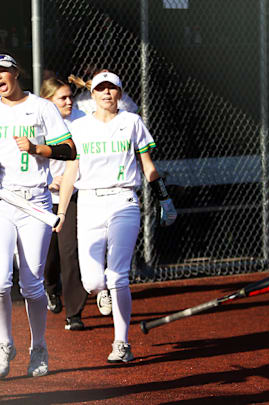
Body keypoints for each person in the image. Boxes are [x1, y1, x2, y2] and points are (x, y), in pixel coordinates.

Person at [57, 71, 177, 363]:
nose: (107, 94)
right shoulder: (80, 127)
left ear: (120, 94)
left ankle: (121, 343)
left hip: (123, 199)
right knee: (93, 282)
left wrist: (165, 197)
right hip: (88, 202)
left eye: (112, 89)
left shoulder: (132, 122)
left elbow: (148, 164)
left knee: (117, 275)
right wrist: (61, 212)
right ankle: (103, 292)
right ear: (93, 95)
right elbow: (71, 171)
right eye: (101, 89)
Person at [0, 51, 76, 379]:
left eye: (2, 71)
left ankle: (39, 346)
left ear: (15, 72)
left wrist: (36, 148)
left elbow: (69, 150)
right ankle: (5, 343)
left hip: (35, 204)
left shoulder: (42, 107)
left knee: (32, 286)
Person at [40, 77, 89, 331]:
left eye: (70, 96)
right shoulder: (38, 124)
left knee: (70, 252)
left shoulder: (81, 121)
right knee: (48, 255)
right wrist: (49, 181)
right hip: (45, 198)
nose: (69, 101)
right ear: (48, 101)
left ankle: (74, 312)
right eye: (62, 98)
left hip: (72, 198)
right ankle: (49, 288)